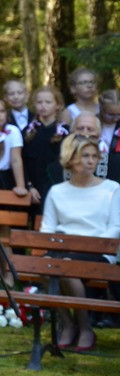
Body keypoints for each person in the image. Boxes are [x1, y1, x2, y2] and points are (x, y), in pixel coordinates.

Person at [40, 134, 120, 351]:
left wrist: (91, 245)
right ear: (71, 158)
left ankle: (85, 328)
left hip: (99, 251)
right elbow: (47, 228)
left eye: (94, 156)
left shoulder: (112, 189)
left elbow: (115, 227)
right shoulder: (57, 191)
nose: (91, 161)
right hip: (64, 249)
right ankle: (68, 324)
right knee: (47, 267)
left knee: (67, 267)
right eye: (85, 156)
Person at [22, 85, 68, 218]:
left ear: (58, 105)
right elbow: (22, 161)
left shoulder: (65, 132)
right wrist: (29, 187)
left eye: (48, 102)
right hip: (33, 187)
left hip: (56, 186)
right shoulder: (28, 132)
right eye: (39, 102)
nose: (43, 106)